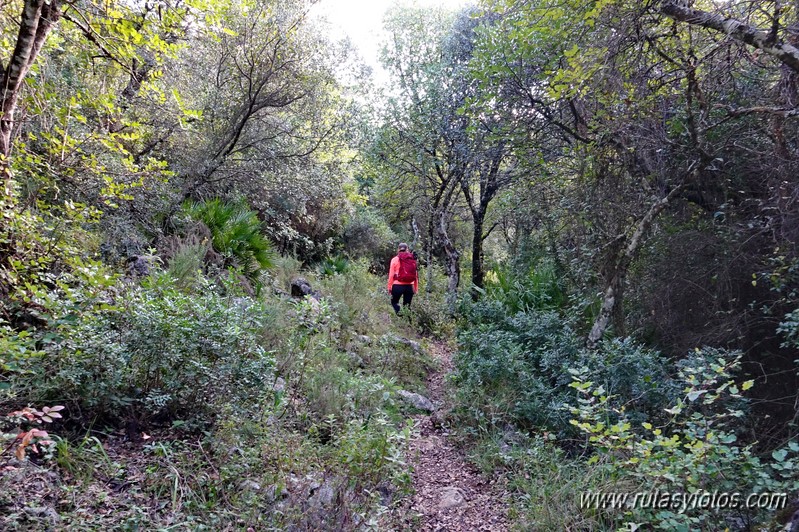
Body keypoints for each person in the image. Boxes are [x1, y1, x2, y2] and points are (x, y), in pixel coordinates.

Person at [387, 243, 418, 314]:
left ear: (398, 249)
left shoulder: (394, 259)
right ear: (407, 249)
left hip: (397, 286)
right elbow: (415, 275)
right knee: (407, 307)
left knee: (394, 302)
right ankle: (408, 322)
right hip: (410, 286)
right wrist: (415, 288)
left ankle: (400, 315)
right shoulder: (412, 259)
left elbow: (391, 275)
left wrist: (389, 287)